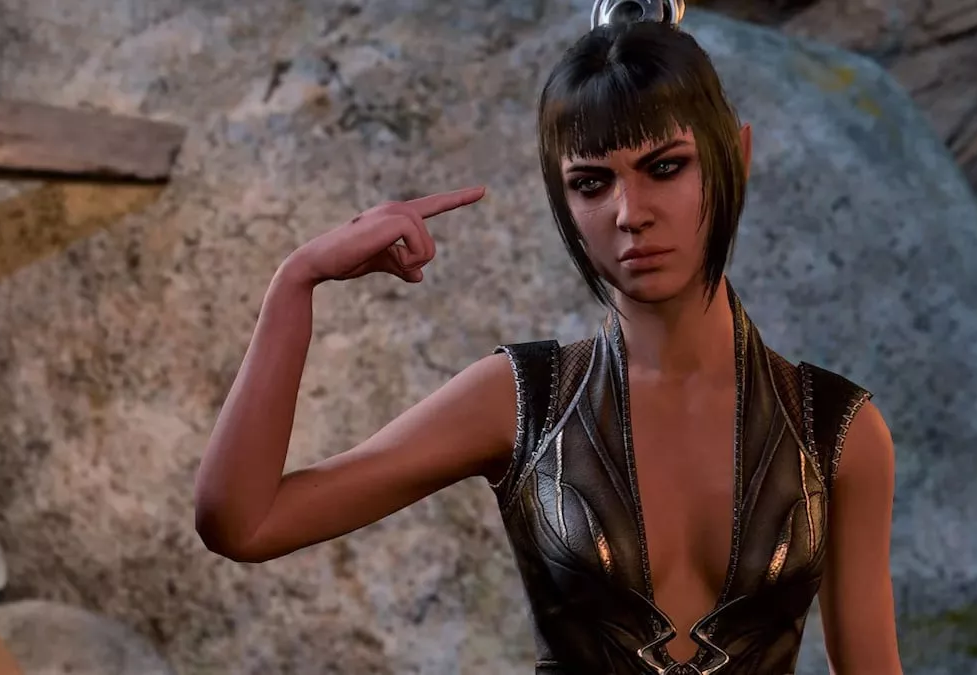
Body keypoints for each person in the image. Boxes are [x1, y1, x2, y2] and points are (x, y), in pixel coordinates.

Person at [195, 6, 902, 674]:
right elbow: (244, 523)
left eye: (665, 167)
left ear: (735, 158)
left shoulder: (838, 431)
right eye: (591, 183)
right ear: (561, 199)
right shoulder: (522, 402)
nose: (630, 213)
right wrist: (295, 284)